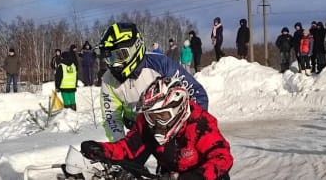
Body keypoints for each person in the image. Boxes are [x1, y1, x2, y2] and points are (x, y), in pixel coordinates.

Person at [81, 77, 232, 180]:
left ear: (178, 109)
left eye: (162, 116)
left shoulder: (200, 123)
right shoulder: (147, 125)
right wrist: (100, 150)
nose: (156, 123)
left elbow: (222, 157)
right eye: (151, 116)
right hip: (169, 174)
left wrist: (194, 177)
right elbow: (128, 148)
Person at [97, 22, 208, 146]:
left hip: (170, 126)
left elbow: (197, 93)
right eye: (110, 57)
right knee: (123, 159)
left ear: (136, 47)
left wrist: (192, 130)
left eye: (120, 55)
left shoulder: (160, 63)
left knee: (181, 160)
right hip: (137, 129)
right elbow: (111, 118)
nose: (114, 64)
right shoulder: (108, 79)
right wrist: (119, 146)